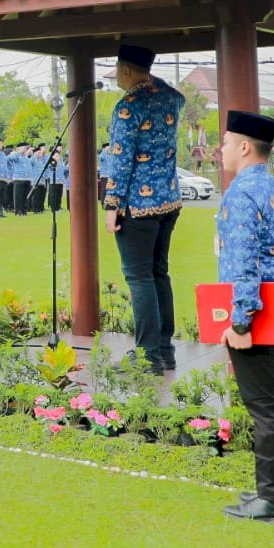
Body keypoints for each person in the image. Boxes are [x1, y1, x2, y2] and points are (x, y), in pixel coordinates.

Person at [216, 110, 274, 525]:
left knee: (267, 409)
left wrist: (240, 322)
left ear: (245, 147)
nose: (222, 149)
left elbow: (243, 263)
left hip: (258, 313)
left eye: (227, 142)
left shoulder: (239, 193)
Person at [103, 43, 185, 374]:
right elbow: (175, 92)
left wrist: (112, 204)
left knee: (138, 277)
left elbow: (120, 159)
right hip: (168, 199)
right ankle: (164, 349)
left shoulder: (128, 107)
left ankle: (148, 354)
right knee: (158, 273)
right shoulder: (169, 99)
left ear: (124, 70)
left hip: (137, 204)